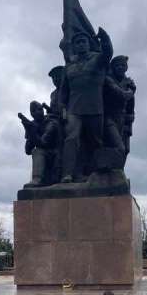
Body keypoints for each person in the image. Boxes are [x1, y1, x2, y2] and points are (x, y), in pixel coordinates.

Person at [60, 28, 113, 183]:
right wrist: (62, 108)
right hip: (74, 109)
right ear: (74, 46)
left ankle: (97, 171)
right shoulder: (69, 66)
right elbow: (64, 90)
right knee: (71, 138)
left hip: (94, 107)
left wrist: (105, 38)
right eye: (77, 43)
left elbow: (108, 53)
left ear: (89, 44)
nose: (81, 44)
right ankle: (67, 174)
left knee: (95, 141)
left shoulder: (98, 59)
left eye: (83, 41)